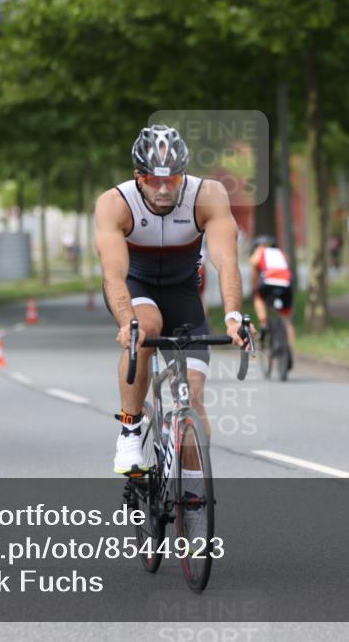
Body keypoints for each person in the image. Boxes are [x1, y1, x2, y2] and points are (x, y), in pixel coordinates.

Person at [95, 124, 249, 474]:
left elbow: (226, 260)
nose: (164, 189)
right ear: (138, 176)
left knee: (192, 399)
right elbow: (114, 273)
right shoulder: (115, 203)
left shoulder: (207, 195)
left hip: (182, 293)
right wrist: (126, 322)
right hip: (137, 287)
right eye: (154, 180)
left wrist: (234, 316)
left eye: (173, 180)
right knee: (146, 327)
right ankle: (130, 432)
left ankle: (193, 500)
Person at [249, 235, 295, 366]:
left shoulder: (260, 251)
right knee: (286, 319)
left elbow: (253, 267)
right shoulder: (282, 253)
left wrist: (255, 286)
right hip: (286, 284)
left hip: (268, 282)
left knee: (258, 297)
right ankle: (288, 349)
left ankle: (264, 324)